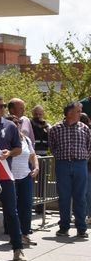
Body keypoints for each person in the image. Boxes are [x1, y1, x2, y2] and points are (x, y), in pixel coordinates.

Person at [0, 95, 27, 261]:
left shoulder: (10, 126)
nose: (3, 108)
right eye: (0, 106)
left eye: (3, 106)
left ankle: (18, 248)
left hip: (5, 174)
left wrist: (9, 153)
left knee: (11, 211)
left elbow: (18, 148)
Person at [48, 101, 91, 238]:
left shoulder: (84, 128)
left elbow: (89, 146)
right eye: (78, 111)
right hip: (63, 164)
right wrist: (62, 157)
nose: (81, 114)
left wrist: (83, 158)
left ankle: (81, 228)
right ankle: (64, 227)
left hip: (80, 164)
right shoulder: (56, 129)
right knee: (64, 197)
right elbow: (52, 146)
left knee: (81, 197)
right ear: (69, 113)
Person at [6, 115, 39, 247]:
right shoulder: (6, 139)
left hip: (25, 175)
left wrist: (36, 167)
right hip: (10, 176)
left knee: (26, 205)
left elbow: (32, 155)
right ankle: (14, 235)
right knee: (11, 208)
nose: (17, 125)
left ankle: (25, 233)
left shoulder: (26, 140)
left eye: (18, 123)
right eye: (14, 123)